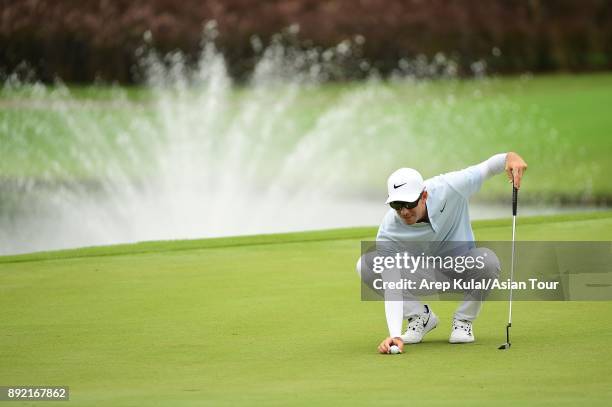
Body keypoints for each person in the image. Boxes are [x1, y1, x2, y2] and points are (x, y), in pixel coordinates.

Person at [355, 152, 527, 354]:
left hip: (463, 270)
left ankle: (463, 321)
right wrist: (395, 335)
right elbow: (392, 284)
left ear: (424, 195)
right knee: (365, 264)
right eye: (396, 205)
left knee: (487, 261)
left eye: (409, 204)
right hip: (424, 276)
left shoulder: (450, 187)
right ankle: (420, 316)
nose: (404, 212)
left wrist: (510, 158)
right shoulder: (389, 230)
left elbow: (488, 167)